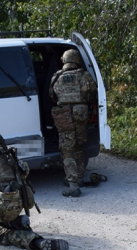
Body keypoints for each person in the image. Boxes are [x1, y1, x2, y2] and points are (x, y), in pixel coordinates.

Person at [49, 49, 97, 198]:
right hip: (81, 113)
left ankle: (73, 185)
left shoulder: (57, 77)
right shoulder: (84, 75)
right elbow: (93, 92)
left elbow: (52, 95)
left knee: (67, 149)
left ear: (64, 60)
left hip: (64, 115)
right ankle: (79, 178)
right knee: (78, 145)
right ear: (76, 60)